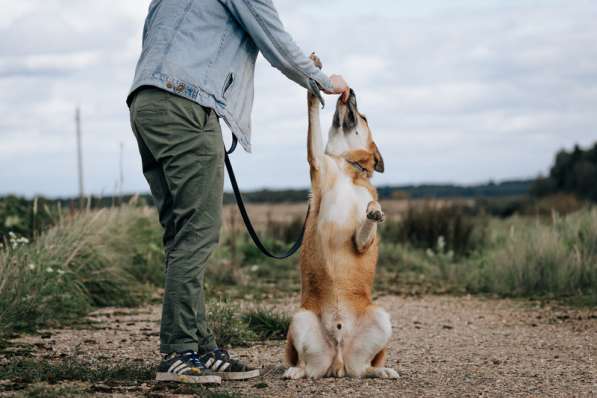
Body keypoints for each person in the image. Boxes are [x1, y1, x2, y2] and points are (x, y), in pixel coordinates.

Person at [127, 0, 350, 384]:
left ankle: (200, 346)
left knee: (181, 236)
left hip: (146, 102)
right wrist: (324, 81)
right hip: (187, 103)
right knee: (197, 234)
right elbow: (275, 40)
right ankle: (179, 351)